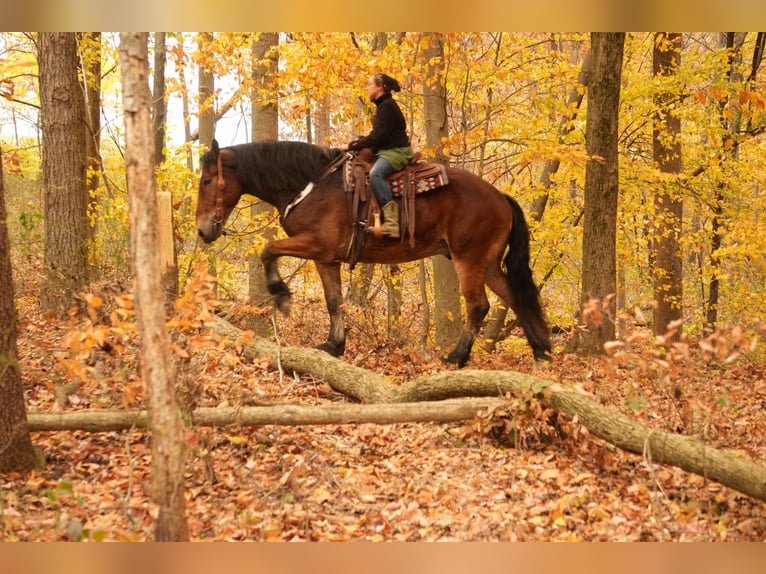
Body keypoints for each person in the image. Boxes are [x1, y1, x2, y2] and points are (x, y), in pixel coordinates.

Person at [343, 73, 413, 238]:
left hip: (397, 152)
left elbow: (378, 137)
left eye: (369, 84)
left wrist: (351, 145)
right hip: (386, 151)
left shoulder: (388, 106)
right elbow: (378, 136)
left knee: (376, 174)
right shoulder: (383, 106)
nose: (367, 88)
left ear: (380, 87)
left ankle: (392, 222)